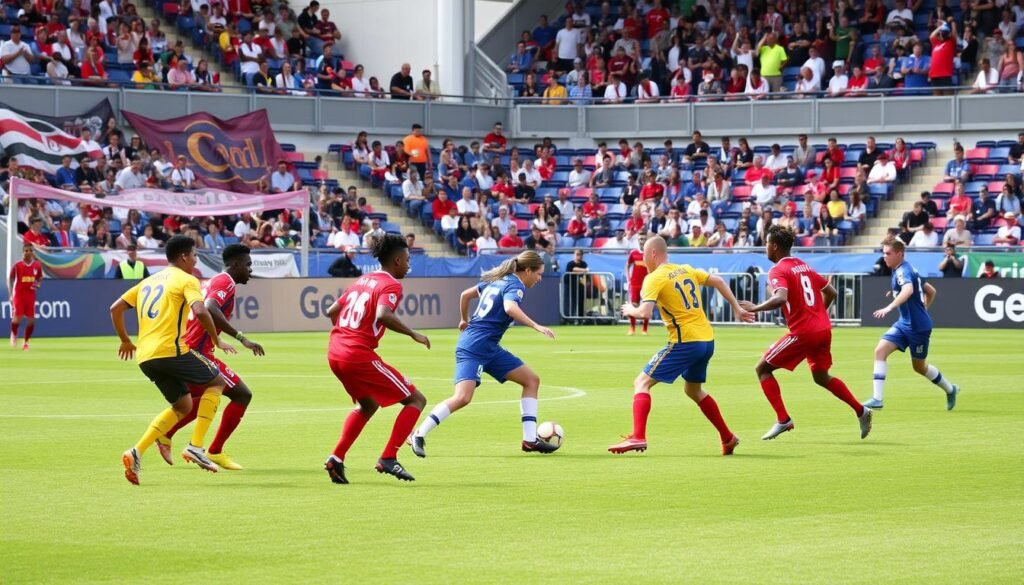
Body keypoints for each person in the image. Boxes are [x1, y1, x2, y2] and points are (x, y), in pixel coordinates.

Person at [608, 236, 753, 456]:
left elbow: (645, 312)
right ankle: (728, 437)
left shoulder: (654, 278)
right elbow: (720, 282)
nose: (643, 260)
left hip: (686, 341)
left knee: (641, 382)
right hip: (707, 340)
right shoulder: (685, 269)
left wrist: (631, 310)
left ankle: (638, 436)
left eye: (645, 255)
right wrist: (737, 308)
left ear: (653, 254)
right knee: (693, 390)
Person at [410, 251, 557, 456]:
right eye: (539, 274)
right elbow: (509, 307)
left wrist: (463, 319)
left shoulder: (498, 281)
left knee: (531, 380)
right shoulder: (515, 285)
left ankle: (530, 439)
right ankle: (418, 433)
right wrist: (536, 325)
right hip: (474, 348)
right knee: (462, 397)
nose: (540, 278)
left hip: (488, 347)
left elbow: (465, 295)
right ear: (528, 270)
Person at [739, 226, 874, 441]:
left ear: (774, 246)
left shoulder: (778, 270)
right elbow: (831, 291)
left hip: (804, 332)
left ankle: (783, 419)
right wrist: (818, 314)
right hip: (823, 329)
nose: (765, 248)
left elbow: (781, 297)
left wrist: (754, 308)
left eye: (766, 244)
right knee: (821, 377)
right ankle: (861, 411)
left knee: (762, 368)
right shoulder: (804, 266)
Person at [112, 236, 229, 485]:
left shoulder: (147, 281)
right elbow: (200, 310)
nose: (196, 260)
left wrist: (125, 340)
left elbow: (115, 308)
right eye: (195, 255)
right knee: (218, 382)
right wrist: (216, 340)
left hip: (145, 356)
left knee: (183, 406)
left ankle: (136, 452)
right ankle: (196, 446)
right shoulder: (187, 280)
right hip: (171, 350)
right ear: (184, 256)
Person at [323, 234, 430, 484]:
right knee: (416, 399)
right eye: (406, 259)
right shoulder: (391, 284)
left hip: (335, 351)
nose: (408, 264)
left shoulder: (363, 279)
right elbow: (383, 314)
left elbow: (332, 311)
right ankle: (388, 457)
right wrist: (413, 333)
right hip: (356, 354)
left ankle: (336, 458)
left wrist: (345, 334)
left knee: (367, 405)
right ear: (396, 260)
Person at [155, 245, 266, 470]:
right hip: (197, 351)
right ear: (235, 265)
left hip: (190, 348)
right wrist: (240, 337)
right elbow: (210, 307)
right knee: (242, 394)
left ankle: (166, 434)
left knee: (200, 401)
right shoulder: (225, 282)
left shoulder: (214, 281)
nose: (250, 270)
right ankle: (212, 450)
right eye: (247, 265)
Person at [864, 238, 959, 411]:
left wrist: (890, 306)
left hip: (918, 328)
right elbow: (931, 291)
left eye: (888, 253)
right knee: (880, 350)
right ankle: (877, 399)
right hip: (904, 324)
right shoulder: (904, 268)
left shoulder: (903, 271)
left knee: (920, 367)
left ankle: (950, 389)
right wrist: (920, 307)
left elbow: (908, 290)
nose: (884, 256)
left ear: (899, 254)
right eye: (883, 253)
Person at [8, 246, 42, 350]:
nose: (28, 252)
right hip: (19, 294)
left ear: (33, 252)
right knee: (17, 317)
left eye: (30, 250)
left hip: (30, 295)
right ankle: (14, 334)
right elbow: (10, 278)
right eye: (26, 250)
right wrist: (10, 294)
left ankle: (25, 342)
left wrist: (37, 284)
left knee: (31, 320)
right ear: (23, 252)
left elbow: (39, 277)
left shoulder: (37, 265)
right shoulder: (18, 265)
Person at [624, 232, 650, 336]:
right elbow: (627, 265)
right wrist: (628, 278)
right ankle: (632, 328)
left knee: (646, 306)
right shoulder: (633, 253)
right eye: (640, 239)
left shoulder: (650, 253)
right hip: (635, 283)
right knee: (634, 306)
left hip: (647, 284)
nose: (641, 241)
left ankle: (644, 329)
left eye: (643, 239)